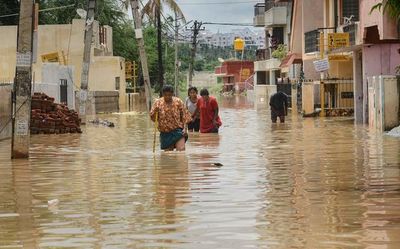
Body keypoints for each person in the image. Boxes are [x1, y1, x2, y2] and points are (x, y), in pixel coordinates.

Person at [150, 85, 192, 151]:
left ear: (172, 94)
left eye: (169, 95)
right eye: (165, 95)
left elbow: (185, 115)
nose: (167, 97)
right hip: (165, 133)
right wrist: (155, 111)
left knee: (181, 150)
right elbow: (153, 118)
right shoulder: (158, 103)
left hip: (177, 131)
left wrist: (185, 129)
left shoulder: (178, 101)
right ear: (163, 94)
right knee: (168, 155)